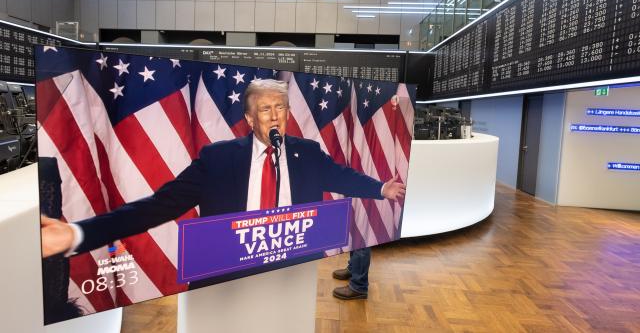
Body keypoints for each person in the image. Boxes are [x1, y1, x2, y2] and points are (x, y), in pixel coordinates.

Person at [40, 79, 406, 258]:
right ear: (250, 118)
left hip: (291, 268)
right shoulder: (217, 159)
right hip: (228, 273)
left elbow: (342, 176)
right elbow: (156, 207)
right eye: (266, 109)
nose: (276, 115)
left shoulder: (306, 153)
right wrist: (77, 234)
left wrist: (381, 189)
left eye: (281, 107)